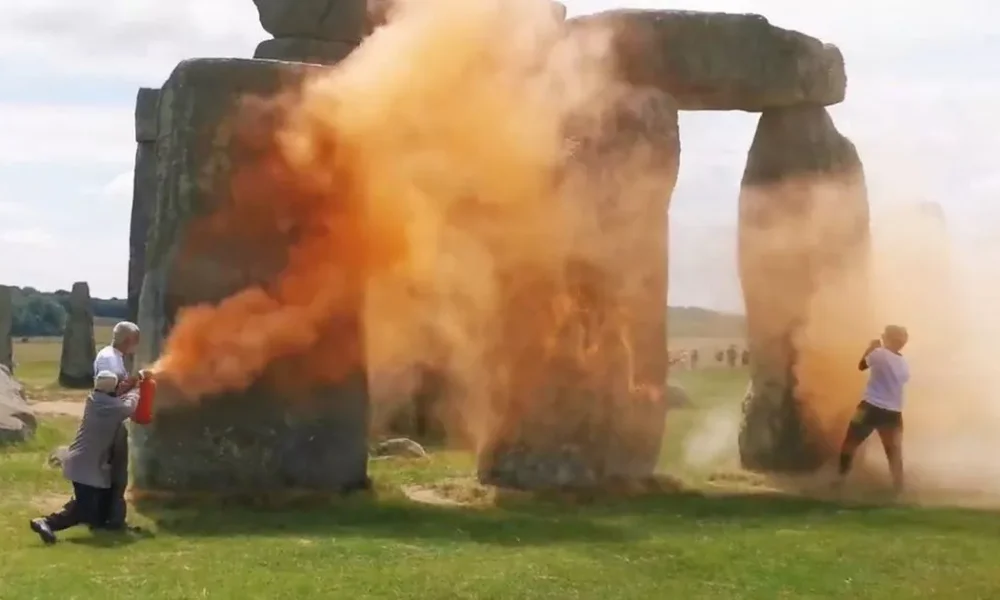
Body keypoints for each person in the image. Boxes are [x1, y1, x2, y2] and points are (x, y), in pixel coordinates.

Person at [29, 371, 138, 545]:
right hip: (86, 467)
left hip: (83, 464)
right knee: (84, 509)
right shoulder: (114, 407)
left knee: (94, 504)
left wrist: (126, 387)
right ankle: (46, 522)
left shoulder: (94, 399)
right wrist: (136, 389)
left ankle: (105, 524)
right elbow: (129, 406)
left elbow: (116, 400)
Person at [834, 325, 911, 493]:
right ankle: (899, 490)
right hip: (893, 413)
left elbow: (862, 365)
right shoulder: (904, 364)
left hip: (869, 408)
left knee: (850, 444)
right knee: (894, 454)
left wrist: (870, 348)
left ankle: (839, 482)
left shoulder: (879, 354)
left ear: (890, 338)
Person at [93, 321, 142, 532]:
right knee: (118, 473)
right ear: (128, 340)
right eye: (135, 341)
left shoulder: (112, 357)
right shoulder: (109, 359)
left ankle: (105, 517)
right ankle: (114, 520)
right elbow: (109, 391)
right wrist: (134, 384)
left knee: (110, 472)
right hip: (110, 423)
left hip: (110, 420)